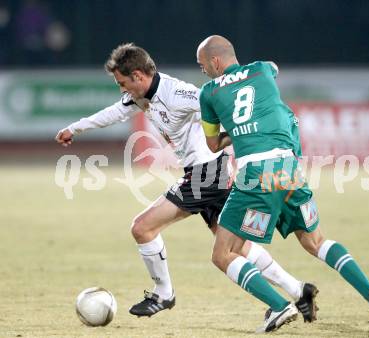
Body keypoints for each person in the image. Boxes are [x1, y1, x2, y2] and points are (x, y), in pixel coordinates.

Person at [55, 43, 318, 322]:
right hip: (210, 172)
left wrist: (244, 135)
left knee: (142, 228)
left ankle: (164, 293)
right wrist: (76, 128)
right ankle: (297, 289)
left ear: (138, 76)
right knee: (236, 247)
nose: (122, 90)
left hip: (205, 174)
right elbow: (114, 112)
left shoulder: (177, 94)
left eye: (123, 83)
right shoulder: (140, 96)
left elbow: (219, 104)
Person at [197, 35, 369, 333]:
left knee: (223, 253)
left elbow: (212, 144)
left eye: (202, 65)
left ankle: (279, 306)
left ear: (215, 61)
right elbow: (274, 68)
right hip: (289, 168)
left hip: (255, 173)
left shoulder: (209, 92)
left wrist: (236, 131)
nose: (203, 71)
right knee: (316, 241)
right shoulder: (263, 69)